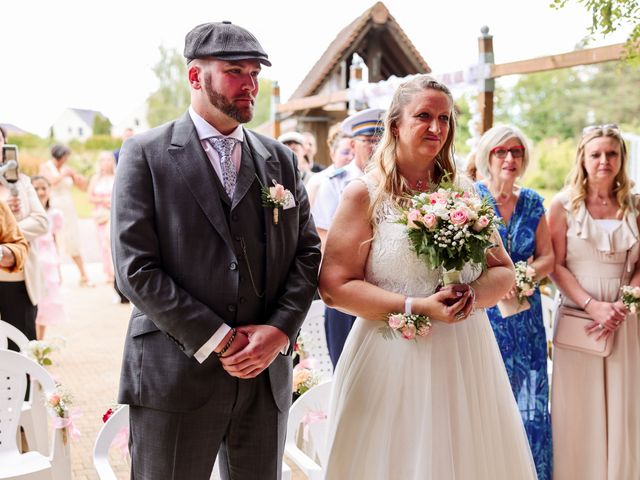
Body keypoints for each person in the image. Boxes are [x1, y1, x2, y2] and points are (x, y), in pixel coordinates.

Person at [111, 21, 321, 480]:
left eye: (254, 73)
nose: (250, 84)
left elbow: (307, 253)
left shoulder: (279, 159)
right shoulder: (144, 154)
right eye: (234, 71)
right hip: (175, 374)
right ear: (194, 77)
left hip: (265, 377)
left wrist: (280, 331)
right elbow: (135, 269)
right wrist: (221, 339)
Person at [319, 75, 537, 479]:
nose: (437, 128)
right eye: (424, 116)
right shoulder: (364, 195)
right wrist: (414, 306)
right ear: (395, 124)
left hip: (464, 358)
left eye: (445, 118)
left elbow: (503, 270)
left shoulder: (466, 192)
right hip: (392, 356)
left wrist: (471, 293)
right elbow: (334, 287)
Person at [548, 124, 640, 480]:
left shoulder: (635, 204)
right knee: (578, 405)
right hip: (579, 315)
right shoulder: (562, 205)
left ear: (622, 158)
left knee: (624, 399)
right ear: (583, 159)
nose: (604, 161)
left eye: (611, 154)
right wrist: (592, 305)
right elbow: (554, 264)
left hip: (624, 316)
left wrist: (625, 300)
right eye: (596, 154)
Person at [473, 125, 554, 480]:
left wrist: (522, 277)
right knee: (487, 392)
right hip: (486, 314)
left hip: (526, 318)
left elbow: (548, 257)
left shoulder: (534, 202)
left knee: (529, 397)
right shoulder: (471, 198)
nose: (509, 159)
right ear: (487, 156)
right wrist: (497, 281)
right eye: (501, 151)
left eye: (516, 152)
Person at [311, 107, 384, 367]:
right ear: (353, 144)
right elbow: (323, 236)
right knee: (345, 365)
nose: (375, 148)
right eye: (368, 141)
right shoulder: (334, 182)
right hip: (346, 287)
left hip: (385, 289)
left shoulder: (393, 181)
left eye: (380, 140)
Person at [0, 126, 48, 344]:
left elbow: (41, 221)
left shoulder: (22, 182)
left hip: (19, 278)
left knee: (22, 346)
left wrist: (9, 221)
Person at [39, 144, 93, 286]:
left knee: (72, 239)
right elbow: (48, 182)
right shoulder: (46, 167)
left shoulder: (66, 169)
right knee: (53, 240)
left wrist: (77, 177)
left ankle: (83, 274)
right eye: (65, 156)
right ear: (60, 156)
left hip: (68, 209)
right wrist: (64, 174)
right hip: (53, 207)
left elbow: (82, 188)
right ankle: (56, 275)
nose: (66, 159)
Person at [31, 176, 66, 340]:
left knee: (46, 302)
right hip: (33, 259)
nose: (40, 192)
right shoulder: (28, 214)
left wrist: (58, 268)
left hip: (49, 261)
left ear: (49, 190)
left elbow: (54, 239)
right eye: (36, 188)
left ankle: (40, 342)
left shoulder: (55, 214)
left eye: (43, 188)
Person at [306, 123, 353, 206]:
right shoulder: (317, 181)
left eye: (354, 154)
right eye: (345, 153)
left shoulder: (363, 178)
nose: (351, 157)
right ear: (333, 154)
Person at [87, 151, 116, 283]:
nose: (106, 163)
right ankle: (108, 271)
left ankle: (116, 270)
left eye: (108, 160)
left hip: (114, 213)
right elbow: (89, 197)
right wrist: (102, 201)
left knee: (113, 241)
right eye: (103, 160)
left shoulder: (117, 176)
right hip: (101, 214)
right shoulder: (95, 179)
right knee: (103, 243)